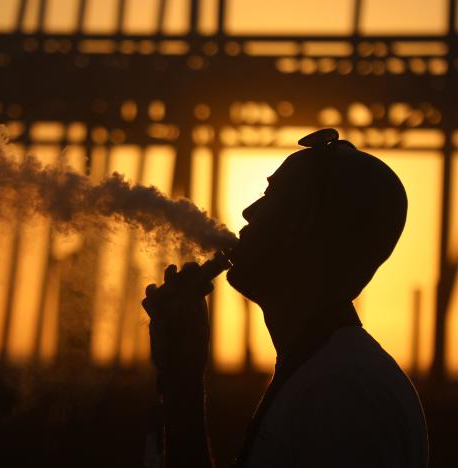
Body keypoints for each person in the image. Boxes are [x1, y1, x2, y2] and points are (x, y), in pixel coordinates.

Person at [142, 129, 428, 468]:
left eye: (272, 197)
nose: (249, 211)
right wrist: (182, 376)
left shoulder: (343, 392)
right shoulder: (325, 373)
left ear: (308, 227)